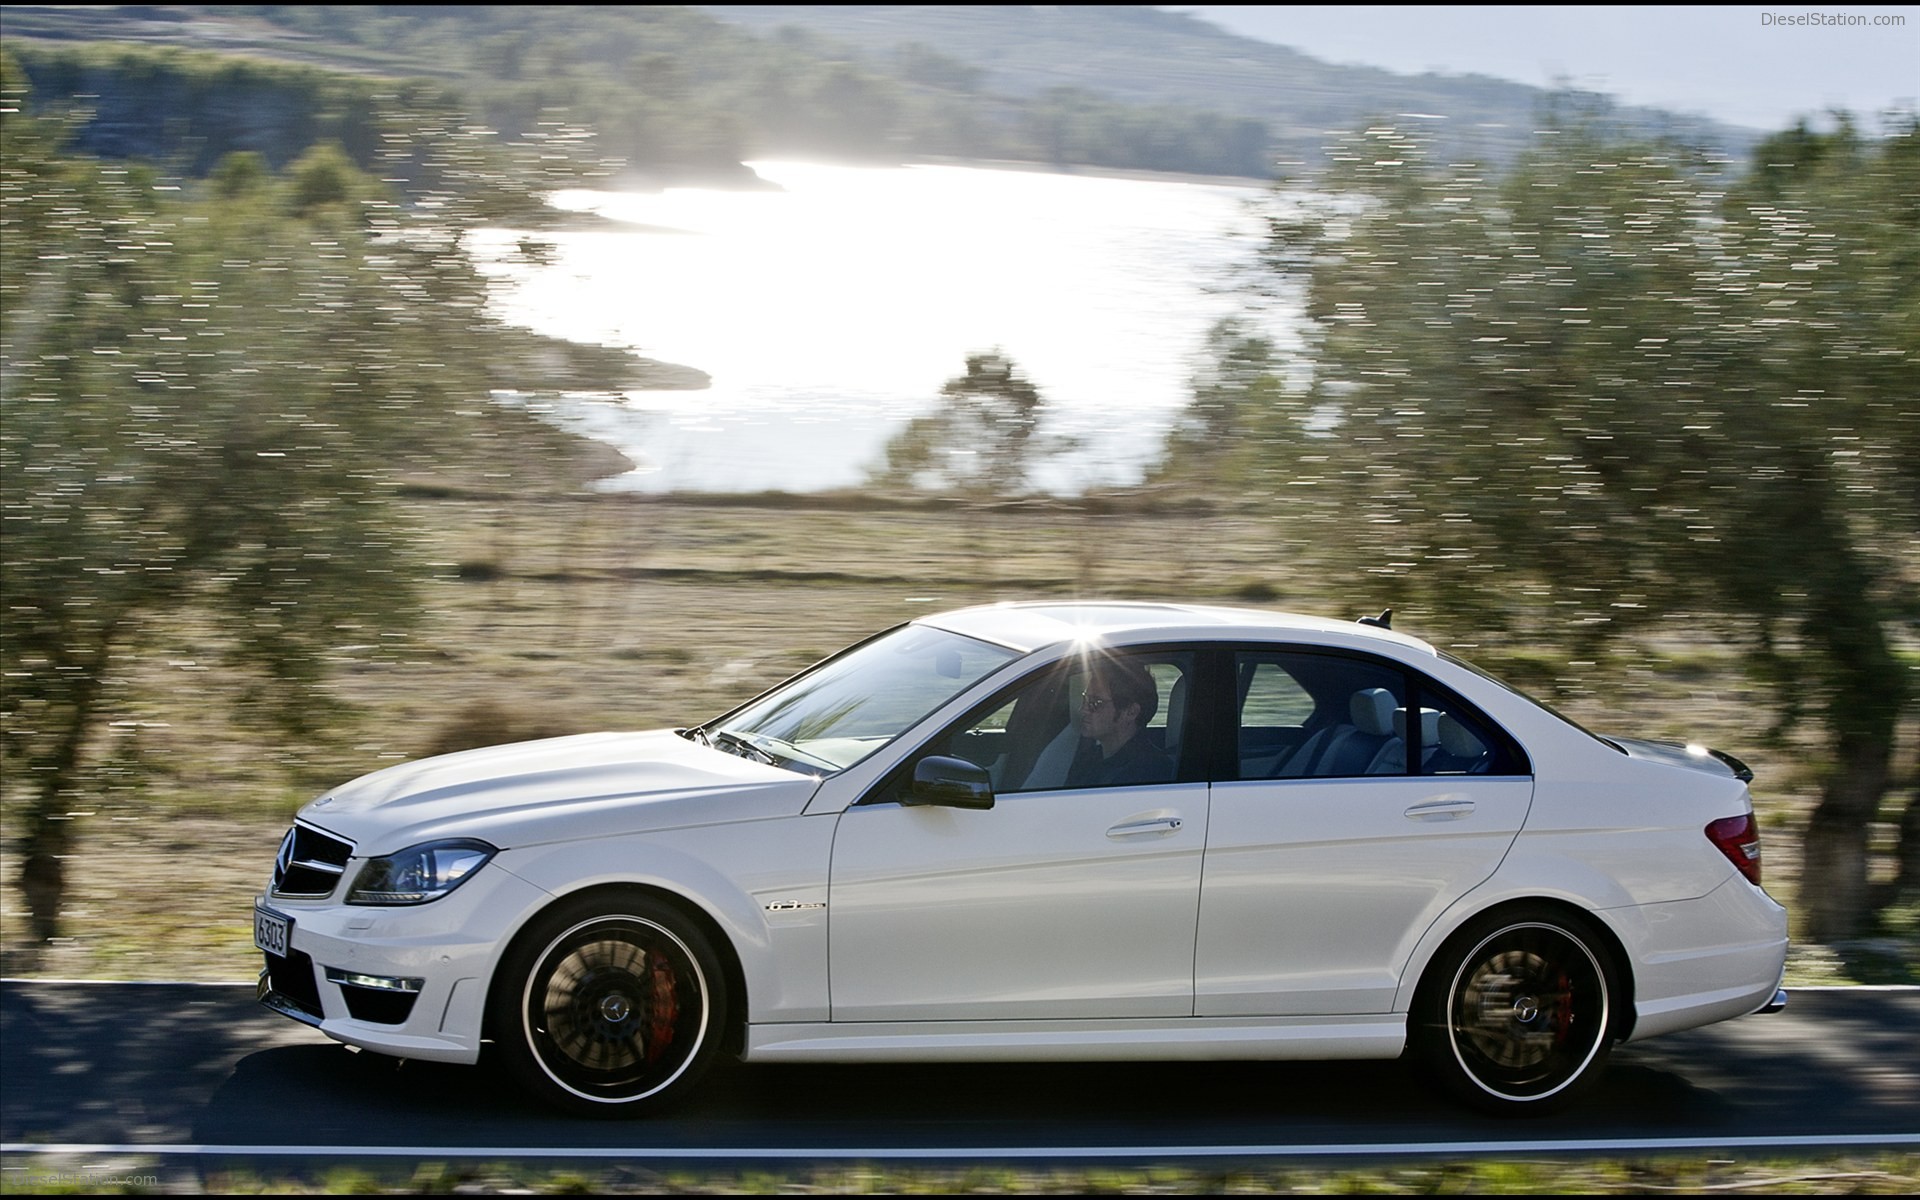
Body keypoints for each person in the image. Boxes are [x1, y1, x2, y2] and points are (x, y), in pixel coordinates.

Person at [1067, 657, 1174, 788]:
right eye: (1085, 699)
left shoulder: (1149, 772)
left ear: (1131, 712)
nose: (1083, 710)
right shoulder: (1088, 760)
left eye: (1095, 703)